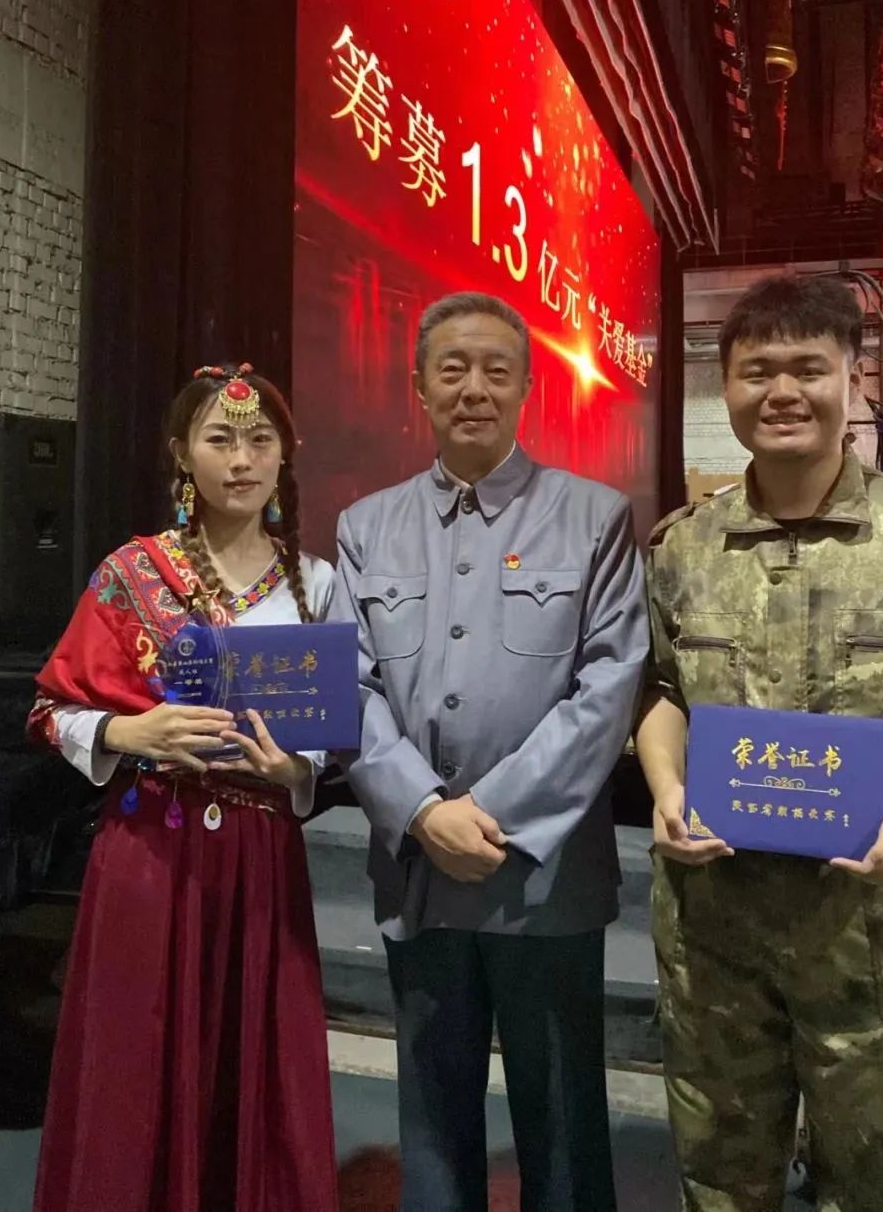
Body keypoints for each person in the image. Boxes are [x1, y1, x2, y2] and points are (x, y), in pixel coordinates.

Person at [637, 274, 883, 1212]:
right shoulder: (683, 547)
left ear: (854, 379)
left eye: (808, 368)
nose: (783, 391)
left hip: (872, 935)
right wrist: (665, 786)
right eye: (757, 371)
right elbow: (660, 688)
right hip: (716, 934)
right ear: (728, 387)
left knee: (879, 1190)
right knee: (721, 1184)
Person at [331, 292, 648, 1212]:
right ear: (420, 387)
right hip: (417, 868)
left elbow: (609, 687)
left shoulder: (593, 518)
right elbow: (349, 685)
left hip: (543, 873)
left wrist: (490, 815)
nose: (474, 387)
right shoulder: (366, 526)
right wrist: (422, 811)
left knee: (563, 1116)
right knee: (432, 1111)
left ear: (526, 387)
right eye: (453, 369)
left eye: (496, 370)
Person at [29, 363, 340, 1212]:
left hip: (261, 862)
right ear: (181, 453)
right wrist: (130, 733)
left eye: (260, 440)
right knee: (137, 1064)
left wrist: (295, 771)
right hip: (150, 855)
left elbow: (329, 738)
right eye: (219, 438)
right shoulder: (131, 574)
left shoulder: (316, 583)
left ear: (284, 456)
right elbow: (51, 710)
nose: (241, 459)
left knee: (256, 1069)